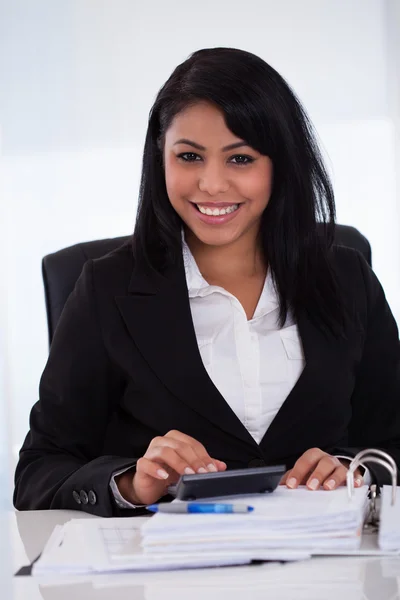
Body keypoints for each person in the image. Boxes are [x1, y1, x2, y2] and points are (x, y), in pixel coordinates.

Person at [14, 47, 400, 517]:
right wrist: (132, 483)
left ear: (281, 164)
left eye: (240, 159)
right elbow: (38, 470)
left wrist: (356, 471)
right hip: (171, 579)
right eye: (190, 156)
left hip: (327, 573)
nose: (212, 185)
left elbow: (391, 443)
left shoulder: (348, 277)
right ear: (161, 158)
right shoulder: (106, 289)